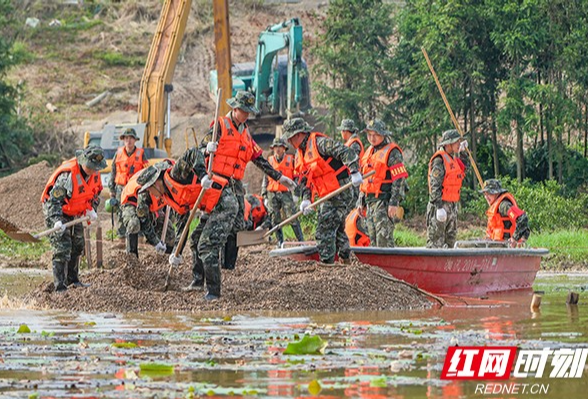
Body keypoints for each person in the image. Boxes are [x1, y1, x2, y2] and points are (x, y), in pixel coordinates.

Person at [173, 90, 296, 300]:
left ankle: (217, 284)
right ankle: (198, 280)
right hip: (215, 186)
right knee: (197, 239)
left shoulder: (246, 133)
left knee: (225, 232)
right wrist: (206, 150)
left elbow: (258, 159)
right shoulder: (219, 126)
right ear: (234, 108)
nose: (247, 116)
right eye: (244, 111)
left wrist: (279, 177)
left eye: (249, 112)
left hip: (232, 189)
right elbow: (198, 152)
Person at [283, 117, 362, 265]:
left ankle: (327, 267)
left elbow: (346, 152)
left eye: (290, 138)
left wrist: (354, 171)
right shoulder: (299, 154)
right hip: (327, 193)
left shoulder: (320, 143)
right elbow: (305, 179)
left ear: (299, 134)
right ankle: (346, 260)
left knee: (324, 230)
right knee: (336, 227)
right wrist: (306, 199)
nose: (289, 142)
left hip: (340, 190)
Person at [41, 146, 105, 292]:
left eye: (96, 167)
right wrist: (57, 220)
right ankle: (60, 287)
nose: (93, 170)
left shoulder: (95, 174)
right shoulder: (68, 176)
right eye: (91, 166)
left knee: (78, 244)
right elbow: (53, 201)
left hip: (75, 210)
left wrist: (92, 209)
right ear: (83, 161)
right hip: (56, 210)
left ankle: (73, 280)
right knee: (62, 246)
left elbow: (95, 194)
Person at [357, 119, 408, 247]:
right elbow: (364, 179)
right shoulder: (369, 151)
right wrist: (360, 201)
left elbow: (398, 179)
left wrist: (394, 203)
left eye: (376, 135)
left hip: (383, 203)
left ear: (383, 135)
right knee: (372, 240)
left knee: (384, 240)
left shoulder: (392, 152)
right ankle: (375, 267)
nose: (372, 138)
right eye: (369, 135)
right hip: (370, 203)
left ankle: (389, 266)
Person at [119, 164, 175, 258]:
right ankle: (132, 258)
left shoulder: (165, 180)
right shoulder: (143, 193)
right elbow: (144, 221)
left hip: (151, 206)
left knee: (170, 233)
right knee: (134, 223)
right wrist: (156, 242)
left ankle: (168, 259)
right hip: (131, 203)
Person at [426, 129, 469, 248]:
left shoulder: (454, 159)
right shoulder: (439, 160)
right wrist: (438, 206)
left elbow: (464, 170)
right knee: (436, 242)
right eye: (456, 142)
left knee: (451, 241)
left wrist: (464, 153)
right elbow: (435, 185)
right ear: (448, 144)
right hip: (440, 205)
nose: (458, 144)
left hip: (452, 205)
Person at [261, 138, 305, 246]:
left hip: (286, 193)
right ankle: (280, 242)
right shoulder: (270, 160)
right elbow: (265, 178)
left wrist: (296, 193)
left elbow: (296, 178)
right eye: (275, 147)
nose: (277, 149)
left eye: (280, 147)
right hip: (272, 193)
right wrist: (264, 196)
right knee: (274, 219)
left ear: (284, 148)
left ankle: (302, 242)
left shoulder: (291, 160)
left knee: (292, 217)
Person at [108, 128, 149, 238]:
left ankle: (138, 237)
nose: (129, 140)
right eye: (126, 138)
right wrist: (111, 190)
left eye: (131, 138)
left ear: (135, 140)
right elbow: (113, 172)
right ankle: (121, 236)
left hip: (135, 189)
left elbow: (147, 171)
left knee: (137, 211)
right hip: (120, 188)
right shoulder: (118, 153)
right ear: (123, 140)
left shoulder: (141, 154)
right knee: (120, 212)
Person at [480, 179, 530, 246]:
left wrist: (514, 238)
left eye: (489, 194)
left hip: (505, 245)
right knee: (473, 241)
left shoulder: (504, 205)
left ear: (496, 193)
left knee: (470, 245)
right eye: (485, 194)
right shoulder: (495, 206)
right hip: (495, 243)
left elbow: (523, 218)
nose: (486, 197)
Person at [338, 119, 364, 205]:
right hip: (350, 177)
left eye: (342, 130)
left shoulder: (354, 144)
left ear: (346, 131)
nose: (341, 133)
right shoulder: (350, 143)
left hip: (355, 177)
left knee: (353, 205)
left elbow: (353, 160)